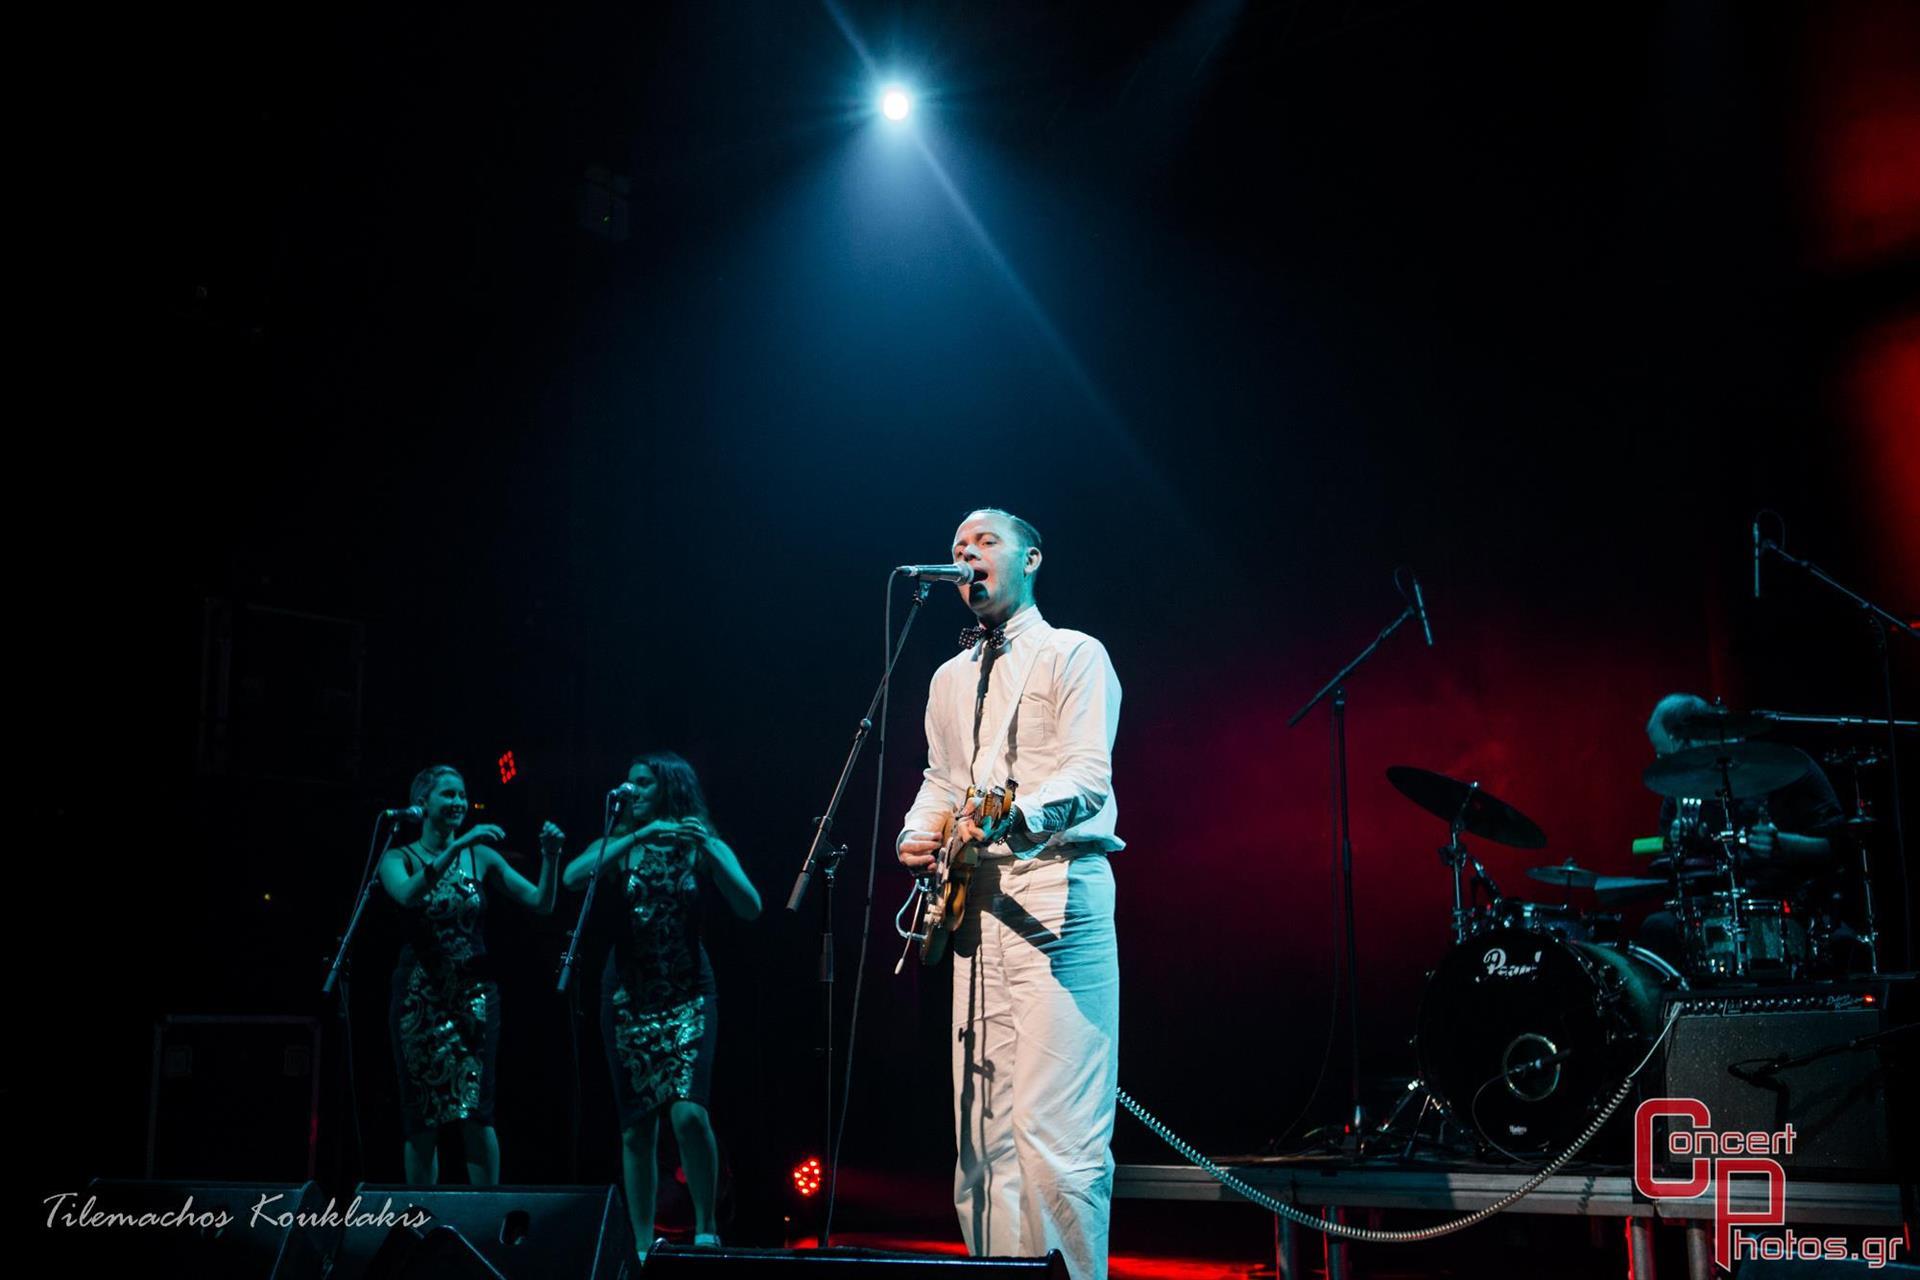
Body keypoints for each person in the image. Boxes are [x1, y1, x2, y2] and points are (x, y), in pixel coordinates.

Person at [896, 508, 1123, 1280]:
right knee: (984, 1134)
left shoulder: (1074, 654)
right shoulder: (948, 679)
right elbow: (940, 779)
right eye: (958, 548)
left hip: (1059, 892)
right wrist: (915, 832)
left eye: (984, 543)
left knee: (1055, 1131)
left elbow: (1090, 777)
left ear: (1031, 558)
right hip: (976, 906)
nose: (966, 556)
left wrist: (1015, 816)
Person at [563, 752, 760, 1262]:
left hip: (689, 992)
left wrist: (708, 850)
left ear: (670, 788)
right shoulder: (622, 843)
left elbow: (750, 905)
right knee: (636, 1126)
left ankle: (706, 1228)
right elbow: (573, 878)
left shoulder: (701, 842)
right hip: (627, 994)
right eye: (628, 782)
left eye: (643, 783)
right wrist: (634, 836)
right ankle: (642, 1239)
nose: (631, 790)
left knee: (690, 1114)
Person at [379, 764, 563, 1184]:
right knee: (422, 1116)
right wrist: (456, 845)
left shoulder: (481, 855)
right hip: (417, 1002)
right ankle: (420, 1221)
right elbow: (408, 895)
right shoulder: (398, 857)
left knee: (476, 1113)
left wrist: (551, 856)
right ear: (422, 804)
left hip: (474, 1000)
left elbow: (540, 902)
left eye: (462, 795)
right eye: (448, 795)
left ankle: (485, 1220)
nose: (458, 803)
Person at [1639, 694, 1844, 971]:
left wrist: (1781, 844)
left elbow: (1837, 848)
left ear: (1685, 740)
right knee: (1657, 929)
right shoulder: (1680, 791)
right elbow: (1669, 863)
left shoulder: (1784, 768)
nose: (1660, 761)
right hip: (1712, 913)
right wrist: (1677, 844)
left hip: (1786, 910)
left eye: (1664, 753)